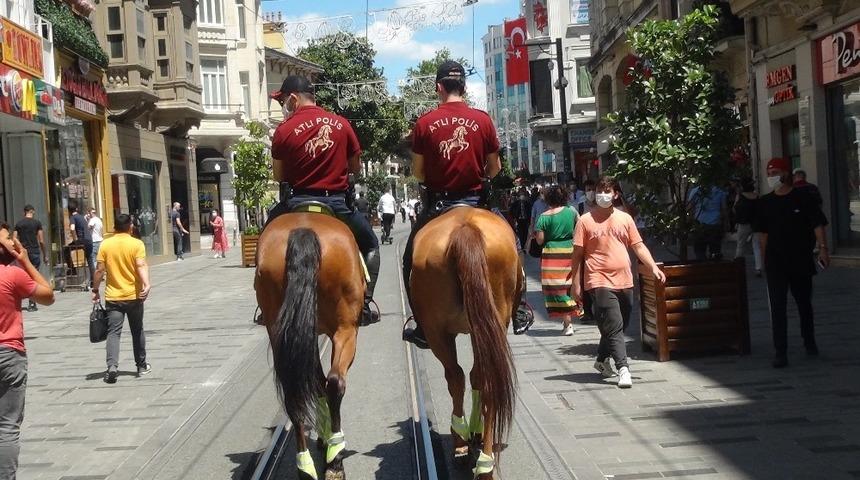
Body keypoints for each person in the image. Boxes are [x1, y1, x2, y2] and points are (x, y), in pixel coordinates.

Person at [401, 60, 501, 348]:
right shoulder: (483, 120)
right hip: (477, 201)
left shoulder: (424, 123)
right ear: (464, 86)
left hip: (438, 207)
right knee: (512, 247)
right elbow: (494, 168)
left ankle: (421, 324)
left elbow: (419, 173)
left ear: (438, 87)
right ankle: (517, 308)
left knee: (410, 260)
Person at [268, 75, 380, 325]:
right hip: (336, 205)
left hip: (295, 204)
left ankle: (266, 304)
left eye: (283, 101)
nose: (283, 107)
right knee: (370, 244)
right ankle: (364, 303)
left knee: (267, 240)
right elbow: (355, 167)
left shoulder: (283, 130)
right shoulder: (341, 124)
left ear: (294, 99)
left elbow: (278, 176)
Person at [571, 176, 666, 388]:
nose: (602, 194)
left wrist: (653, 267)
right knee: (613, 324)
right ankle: (623, 368)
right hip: (598, 280)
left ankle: (601, 359)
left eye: (607, 190)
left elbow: (638, 246)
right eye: (599, 190)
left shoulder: (625, 219)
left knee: (618, 325)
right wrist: (575, 284)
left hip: (624, 280)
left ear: (615, 194)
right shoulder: (585, 221)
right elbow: (577, 255)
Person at [755, 158, 829, 368]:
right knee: (777, 307)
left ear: (786, 173)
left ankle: (809, 341)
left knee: (804, 304)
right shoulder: (765, 202)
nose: (771, 176)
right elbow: (763, 235)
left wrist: (823, 249)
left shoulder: (803, 197)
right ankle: (781, 351)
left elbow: (817, 224)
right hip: (776, 263)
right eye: (769, 173)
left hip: (800, 260)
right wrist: (763, 261)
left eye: (775, 172)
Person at [0, 224, 54, 478]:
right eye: (9, 238)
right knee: (7, 426)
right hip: (9, 353)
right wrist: (25, 262)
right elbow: (48, 295)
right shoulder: (12, 275)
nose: (14, 240)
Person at [91, 214, 151, 384]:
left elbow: (99, 270)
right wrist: (146, 284)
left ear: (114, 227)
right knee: (137, 329)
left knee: (113, 332)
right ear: (130, 227)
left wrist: (95, 289)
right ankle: (141, 365)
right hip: (134, 295)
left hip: (113, 297)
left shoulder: (106, 244)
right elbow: (140, 265)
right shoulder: (136, 244)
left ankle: (112, 367)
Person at [534, 185, 580, 335]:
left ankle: (567, 323)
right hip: (569, 250)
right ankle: (569, 320)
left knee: (557, 288)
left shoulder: (543, 217)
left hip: (552, 254)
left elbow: (540, 240)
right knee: (568, 285)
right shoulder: (571, 212)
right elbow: (580, 228)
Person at [13, 206, 46, 312]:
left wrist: (19, 249)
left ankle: (24, 300)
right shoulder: (37, 223)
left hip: (24, 253)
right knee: (34, 276)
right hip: (35, 251)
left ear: (24, 212)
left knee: (25, 276)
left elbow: (14, 239)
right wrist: (45, 254)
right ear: (33, 212)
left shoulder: (19, 224)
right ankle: (32, 302)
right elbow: (41, 240)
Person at [688, 184, 727, 261]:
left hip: (699, 223)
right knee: (715, 251)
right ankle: (713, 267)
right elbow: (724, 209)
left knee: (699, 251)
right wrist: (726, 223)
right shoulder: (719, 192)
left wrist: (689, 223)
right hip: (715, 224)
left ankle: (703, 267)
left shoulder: (695, 191)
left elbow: (690, 209)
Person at [733, 177, 762, 276]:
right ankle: (758, 268)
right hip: (756, 224)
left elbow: (735, 209)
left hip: (743, 223)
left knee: (740, 245)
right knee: (757, 247)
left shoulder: (740, 196)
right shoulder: (757, 196)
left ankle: (737, 267)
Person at [69, 205, 94, 282]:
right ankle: (93, 279)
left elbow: (72, 228)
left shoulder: (72, 217)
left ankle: (72, 270)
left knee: (66, 250)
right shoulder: (82, 217)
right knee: (89, 258)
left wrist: (75, 240)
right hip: (89, 240)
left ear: (69, 211)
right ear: (76, 209)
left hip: (82, 240)